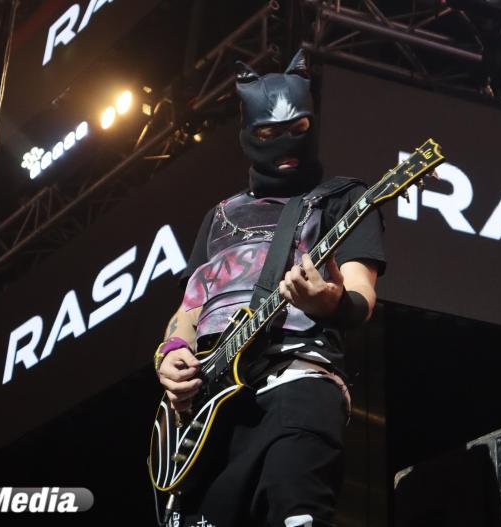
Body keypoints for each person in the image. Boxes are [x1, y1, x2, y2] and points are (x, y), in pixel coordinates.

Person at [154, 50, 386, 527]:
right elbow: (189, 308)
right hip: (208, 413)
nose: (285, 144)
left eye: (299, 129)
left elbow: (361, 296)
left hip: (297, 382)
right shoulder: (219, 216)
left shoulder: (344, 198)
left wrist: (330, 299)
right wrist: (172, 352)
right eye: (267, 134)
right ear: (247, 133)